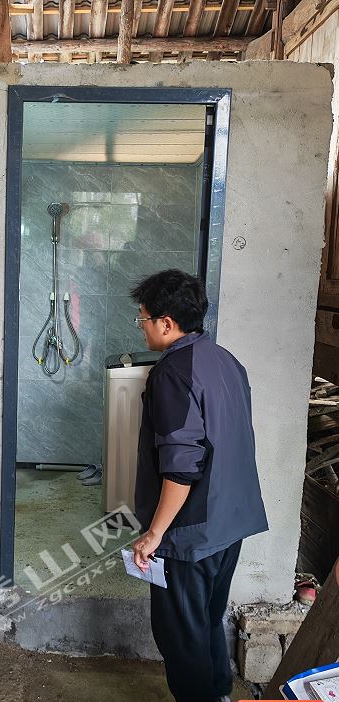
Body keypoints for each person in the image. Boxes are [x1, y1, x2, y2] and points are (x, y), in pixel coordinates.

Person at [130, 269, 268, 702]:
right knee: (207, 619)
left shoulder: (172, 372)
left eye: (143, 318)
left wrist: (154, 533)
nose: (141, 326)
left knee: (180, 636)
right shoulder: (225, 360)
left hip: (191, 531)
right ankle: (219, 693)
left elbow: (181, 466)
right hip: (230, 522)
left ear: (166, 322)